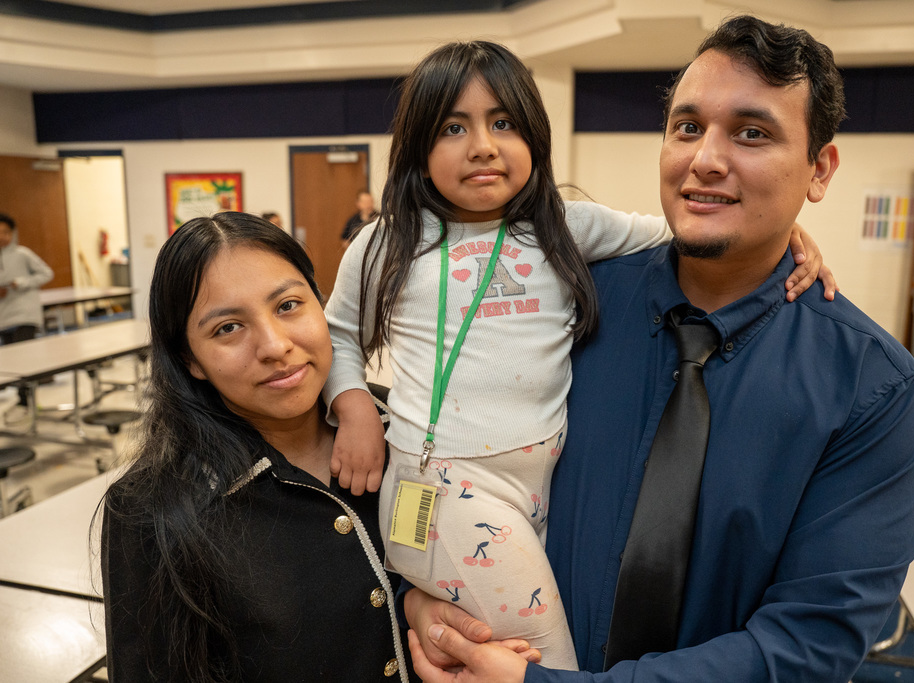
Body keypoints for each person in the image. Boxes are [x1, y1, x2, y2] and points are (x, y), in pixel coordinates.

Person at [406, 16, 914, 683]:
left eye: (753, 132)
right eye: (687, 127)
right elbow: (445, 449)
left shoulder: (869, 387)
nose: (705, 158)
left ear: (819, 169)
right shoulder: (567, 299)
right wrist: (427, 597)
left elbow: (810, 641)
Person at [323, 41, 834, 672]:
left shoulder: (563, 226)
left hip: (535, 488)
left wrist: (791, 234)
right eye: (453, 127)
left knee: (493, 653)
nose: (483, 145)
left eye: (503, 122)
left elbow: (681, 230)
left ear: (534, 137)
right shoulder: (385, 243)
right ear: (418, 150)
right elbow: (337, 334)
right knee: (550, 662)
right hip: (449, 483)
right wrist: (354, 410)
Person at [100, 212, 413, 682]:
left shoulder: (408, 432)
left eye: (288, 305)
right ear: (191, 361)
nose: (275, 345)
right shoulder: (154, 509)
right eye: (227, 328)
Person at [0, 212, 54, 420]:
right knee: (12, 362)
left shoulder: (23, 254)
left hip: (25, 315)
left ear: (12, 233)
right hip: (4, 318)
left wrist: (20, 283)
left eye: (5, 232)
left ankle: (28, 400)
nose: (2, 236)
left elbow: (46, 274)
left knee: (26, 359)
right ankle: (23, 400)